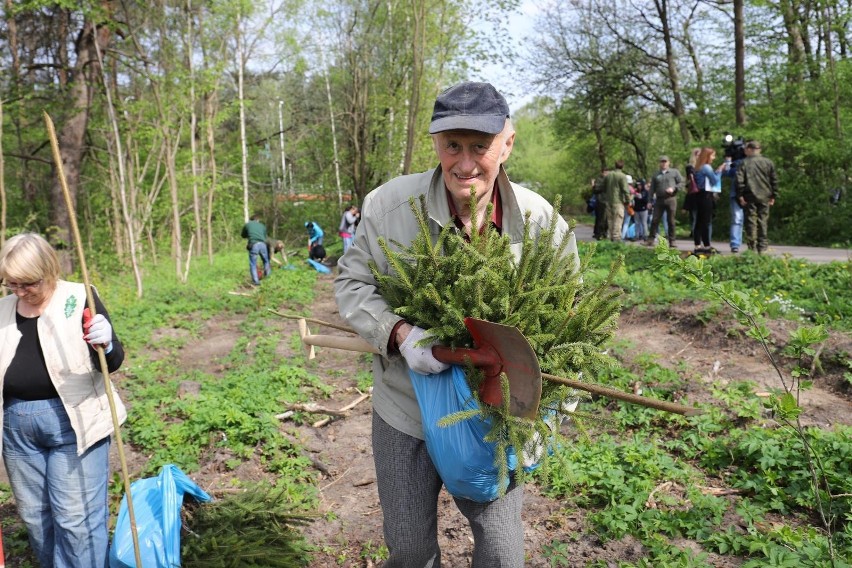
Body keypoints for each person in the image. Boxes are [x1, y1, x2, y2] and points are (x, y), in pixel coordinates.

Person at [334, 81, 579, 568]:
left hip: (493, 419)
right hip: (406, 408)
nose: (464, 164)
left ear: (507, 143)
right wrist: (401, 335)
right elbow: (352, 283)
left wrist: (547, 418)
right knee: (409, 550)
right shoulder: (389, 207)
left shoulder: (540, 223)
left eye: (480, 146)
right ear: (435, 144)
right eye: (452, 145)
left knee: (503, 553)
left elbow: (571, 329)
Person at [0, 233, 126, 568]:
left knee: (76, 519)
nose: (20, 292)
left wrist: (107, 342)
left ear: (48, 271)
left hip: (75, 421)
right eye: (12, 283)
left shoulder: (79, 297)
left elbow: (111, 363)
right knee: (35, 517)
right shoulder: (2, 309)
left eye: (28, 283)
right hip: (16, 429)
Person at [736, 140, 777, 254]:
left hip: (750, 195)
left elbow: (739, 181)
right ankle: (762, 247)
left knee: (751, 221)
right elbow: (773, 180)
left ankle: (752, 247)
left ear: (749, 149)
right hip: (765, 195)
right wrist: (773, 195)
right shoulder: (768, 163)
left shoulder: (744, 163)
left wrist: (740, 195)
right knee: (763, 220)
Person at [645, 155, 684, 248]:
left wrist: (674, 188)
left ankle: (672, 241)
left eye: (665, 161)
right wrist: (649, 201)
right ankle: (650, 240)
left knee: (671, 220)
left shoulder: (674, 172)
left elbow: (682, 183)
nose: (663, 163)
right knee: (655, 220)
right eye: (662, 161)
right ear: (659, 163)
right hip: (659, 200)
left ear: (669, 162)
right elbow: (652, 189)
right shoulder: (656, 174)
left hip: (671, 199)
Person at [692, 147, 725, 254]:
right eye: (712, 155)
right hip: (706, 196)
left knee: (699, 221)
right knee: (705, 221)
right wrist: (719, 171)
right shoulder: (706, 167)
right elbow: (714, 180)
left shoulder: (698, 167)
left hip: (699, 196)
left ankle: (698, 244)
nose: (714, 158)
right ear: (707, 156)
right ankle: (706, 245)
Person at [241, 213, 271, 286]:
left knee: (253, 264)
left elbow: (243, 235)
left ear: (251, 220)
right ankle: (269, 278)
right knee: (266, 261)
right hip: (263, 245)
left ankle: (256, 281)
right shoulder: (262, 226)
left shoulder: (248, 225)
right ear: (258, 220)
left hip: (254, 245)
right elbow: (264, 236)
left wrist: (249, 235)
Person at [603, 160, 630, 242]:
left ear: (615, 166)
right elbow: (625, 190)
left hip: (608, 201)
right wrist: (628, 200)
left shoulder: (608, 176)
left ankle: (611, 237)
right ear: (622, 166)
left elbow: (604, 188)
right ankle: (616, 239)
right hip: (618, 201)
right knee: (618, 220)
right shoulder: (622, 176)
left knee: (610, 220)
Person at [591, 168, 609, 240]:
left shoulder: (607, 180)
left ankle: (603, 232)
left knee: (605, 218)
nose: (606, 174)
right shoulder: (600, 180)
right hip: (601, 201)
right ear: (602, 173)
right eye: (605, 172)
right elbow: (596, 189)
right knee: (600, 218)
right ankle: (599, 233)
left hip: (606, 200)